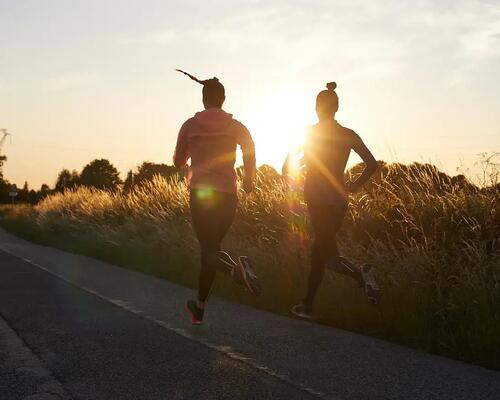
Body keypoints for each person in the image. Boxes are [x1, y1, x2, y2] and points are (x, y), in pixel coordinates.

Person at [286, 82, 381, 320]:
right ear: (336, 108)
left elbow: (287, 166)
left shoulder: (308, 133)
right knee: (320, 253)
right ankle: (307, 306)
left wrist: (302, 166)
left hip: (317, 199)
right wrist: (354, 185)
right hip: (339, 201)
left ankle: (362, 274)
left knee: (327, 255)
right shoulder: (348, 134)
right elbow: (372, 163)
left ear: (317, 107)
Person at [173, 69, 260, 325]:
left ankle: (237, 270)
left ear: (203, 99)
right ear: (223, 99)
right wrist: (249, 181)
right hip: (228, 196)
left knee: (209, 252)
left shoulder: (190, 125)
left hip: (202, 194)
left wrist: (192, 152)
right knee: (211, 251)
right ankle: (199, 308)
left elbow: (178, 161)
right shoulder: (235, 126)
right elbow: (250, 150)